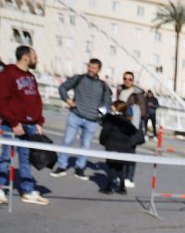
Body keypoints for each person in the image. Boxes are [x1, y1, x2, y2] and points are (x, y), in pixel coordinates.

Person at [0, 45, 49, 206]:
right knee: (6, 157)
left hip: (30, 124)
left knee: (26, 158)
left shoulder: (30, 77)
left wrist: (39, 121)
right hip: (12, 124)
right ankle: (0, 188)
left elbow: (36, 100)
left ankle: (27, 190)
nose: (37, 59)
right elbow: (2, 100)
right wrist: (13, 122)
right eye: (34, 56)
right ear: (25, 57)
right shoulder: (8, 74)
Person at [53, 57, 111, 180]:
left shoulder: (103, 86)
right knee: (67, 141)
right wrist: (68, 100)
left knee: (85, 145)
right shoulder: (79, 78)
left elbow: (107, 103)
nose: (90, 69)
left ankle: (80, 168)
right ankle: (61, 166)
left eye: (94, 68)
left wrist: (102, 113)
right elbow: (62, 87)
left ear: (99, 69)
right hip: (75, 116)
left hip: (92, 120)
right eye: (89, 66)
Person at [98, 100, 144, 194]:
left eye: (113, 106)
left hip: (112, 144)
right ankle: (122, 187)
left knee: (111, 166)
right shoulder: (127, 121)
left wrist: (103, 142)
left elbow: (105, 132)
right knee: (120, 167)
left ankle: (109, 187)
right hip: (124, 147)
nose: (111, 107)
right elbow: (132, 131)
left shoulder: (111, 119)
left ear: (116, 107)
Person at [115, 72, 146, 189]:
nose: (127, 81)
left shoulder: (137, 94)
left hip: (133, 126)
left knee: (131, 153)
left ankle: (130, 177)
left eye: (130, 79)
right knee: (121, 152)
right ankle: (121, 176)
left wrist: (129, 114)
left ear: (133, 80)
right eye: (125, 79)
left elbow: (142, 111)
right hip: (121, 125)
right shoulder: (120, 91)